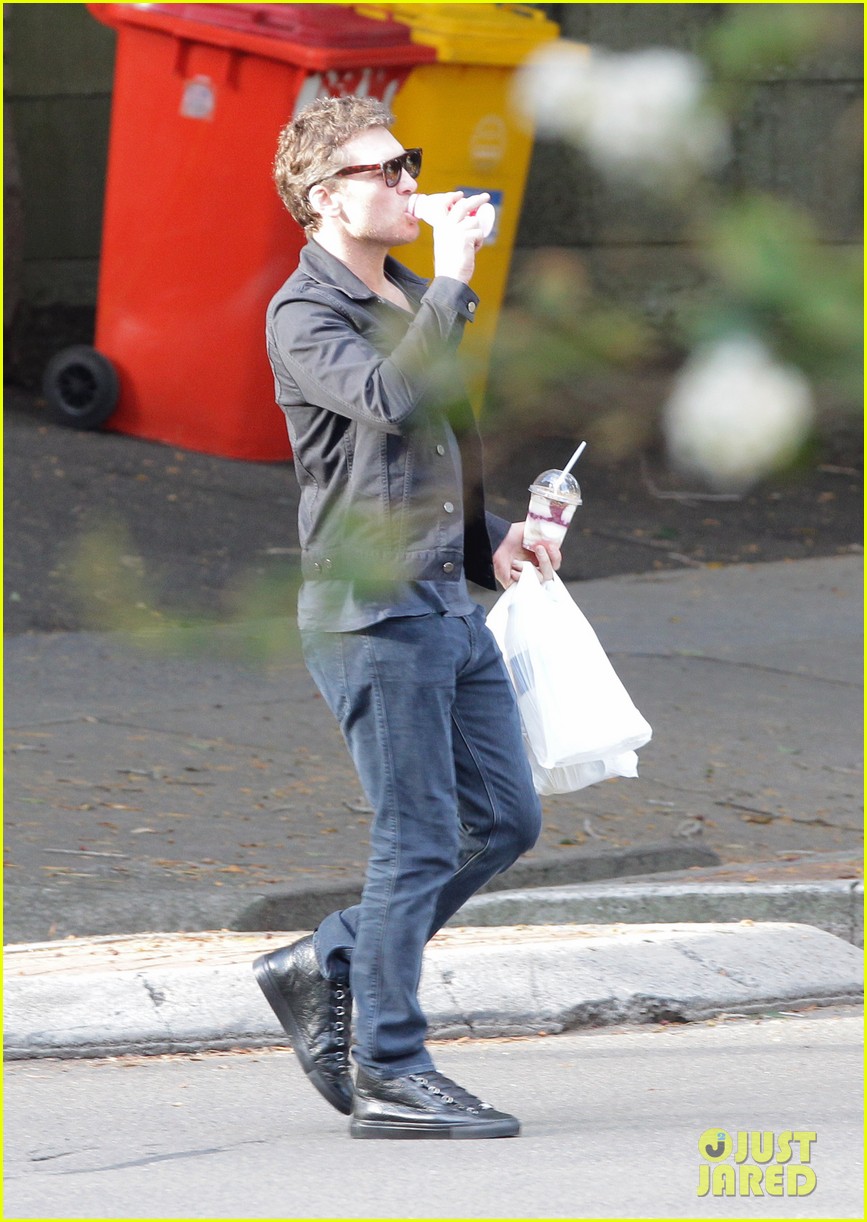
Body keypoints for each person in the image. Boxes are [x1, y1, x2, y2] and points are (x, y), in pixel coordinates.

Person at [254, 95, 561, 1140]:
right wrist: (463, 280)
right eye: (381, 169)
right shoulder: (304, 314)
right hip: (370, 612)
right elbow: (387, 398)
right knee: (418, 834)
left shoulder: (414, 295)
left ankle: (334, 954)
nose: (405, 180)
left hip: (444, 598)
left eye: (407, 162)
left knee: (505, 819)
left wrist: (498, 542)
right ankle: (388, 1063)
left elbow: (439, 451)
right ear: (321, 198)